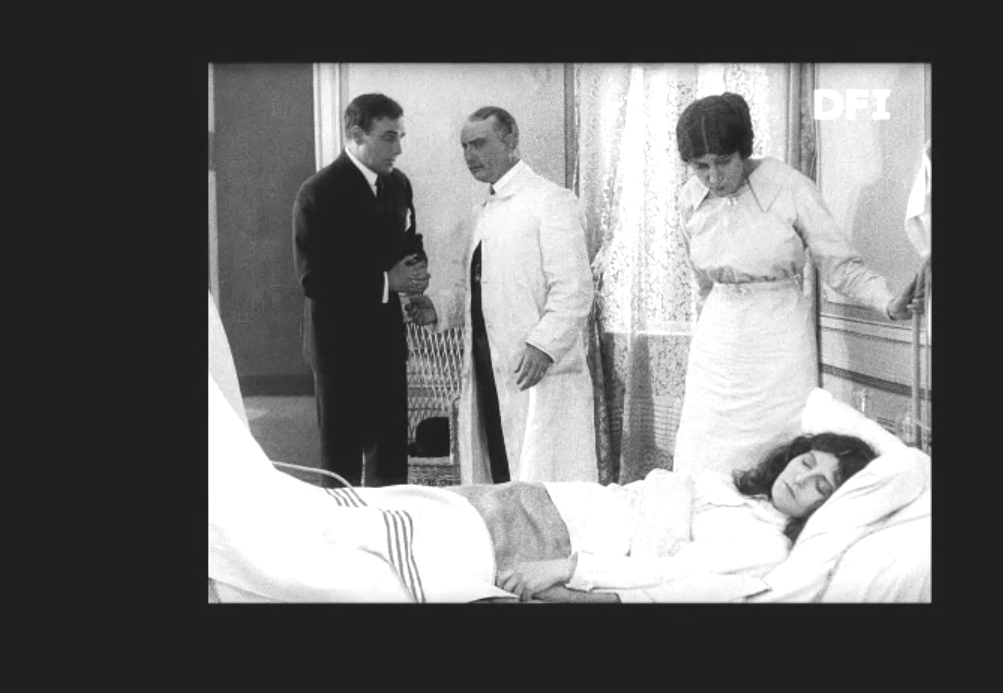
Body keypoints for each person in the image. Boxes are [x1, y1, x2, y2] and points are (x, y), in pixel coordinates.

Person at [669, 92, 925, 481]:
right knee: (706, 457)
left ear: (743, 151)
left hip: (778, 341)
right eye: (700, 167)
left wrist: (888, 302)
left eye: (723, 162)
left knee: (779, 451)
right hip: (717, 346)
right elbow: (702, 280)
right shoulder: (690, 199)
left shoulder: (790, 188)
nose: (714, 178)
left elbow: (841, 266)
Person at [404, 106, 596, 485]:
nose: (469, 155)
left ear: (511, 140)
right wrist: (438, 308)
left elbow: (574, 289)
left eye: (479, 143)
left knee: (543, 480)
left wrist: (544, 346)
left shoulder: (551, 201)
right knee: (497, 476)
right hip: (488, 373)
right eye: (464, 147)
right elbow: (478, 292)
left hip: (537, 373)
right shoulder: (480, 214)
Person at [494, 432, 877, 602]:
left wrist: (565, 568)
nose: (801, 479)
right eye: (806, 462)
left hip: (569, 544)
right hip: (561, 501)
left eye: (820, 486)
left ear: (827, 508)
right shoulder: (728, 485)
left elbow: (667, 572)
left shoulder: (768, 545)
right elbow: (646, 490)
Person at [292, 93, 429, 487]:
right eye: (388, 137)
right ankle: (343, 529)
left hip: (387, 343)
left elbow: (408, 242)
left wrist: (417, 274)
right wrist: (388, 282)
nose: (398, 149)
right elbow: (313, 278)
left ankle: (390, 527)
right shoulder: (317, 192)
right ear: (355, 134)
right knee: (341, 463)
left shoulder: (398, 185)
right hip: (338, 350)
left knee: (392, 461)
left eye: (400, 137)